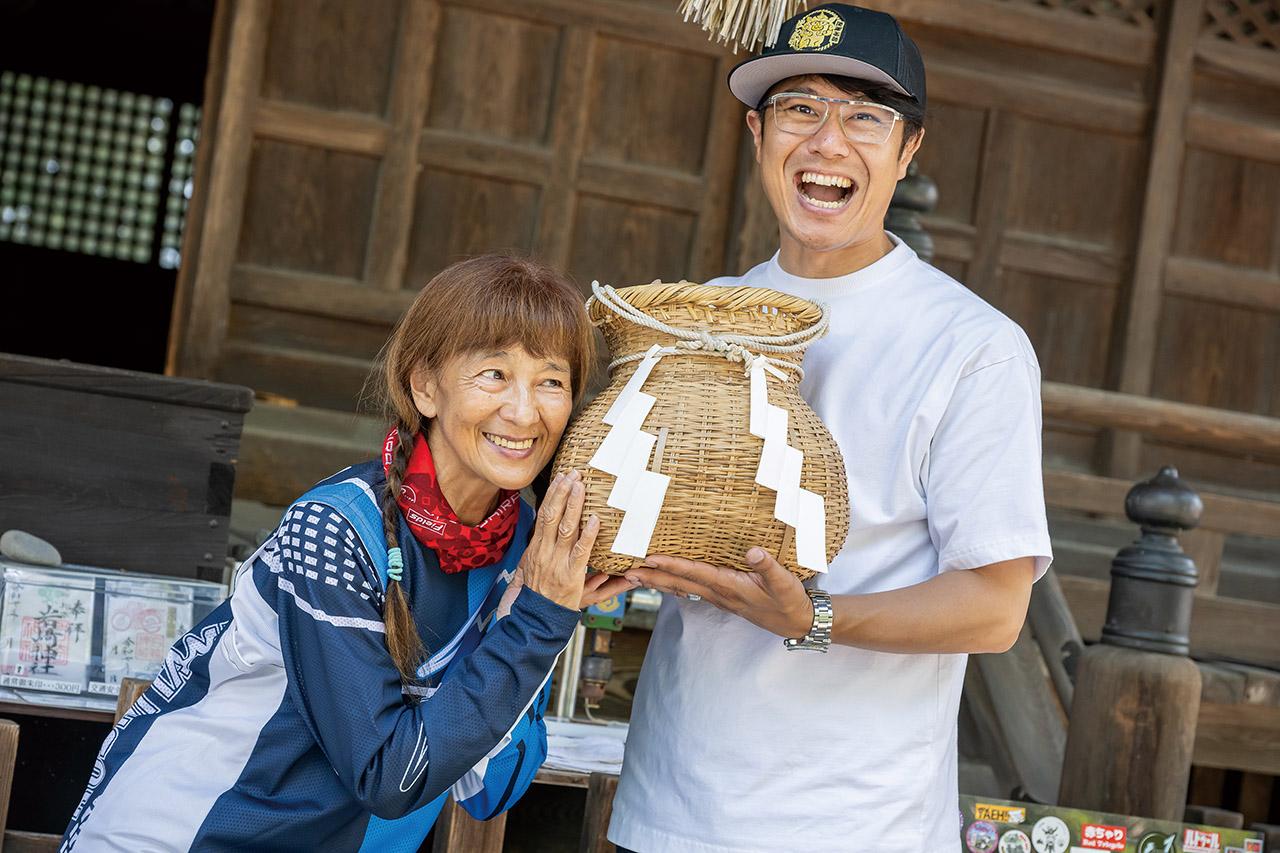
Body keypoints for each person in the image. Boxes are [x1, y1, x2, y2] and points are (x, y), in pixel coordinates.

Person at [607, 5, 1054, 852]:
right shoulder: (706, 315)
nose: (827, 141)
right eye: (800, 108)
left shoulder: (973, 347)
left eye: (864, 115)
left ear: (909, 148)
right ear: (757, 130)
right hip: (669, 807)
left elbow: (996, 608)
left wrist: (812, 616)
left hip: (851, 822)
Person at [60, 255, 633, 852]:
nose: (523, 411)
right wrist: (535, 621)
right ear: (425, 387)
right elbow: (390, 775)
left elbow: (491, 788)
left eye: (551, 381)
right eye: (493, 374)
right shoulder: (332, 530)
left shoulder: (528, 548)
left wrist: (544, 611)